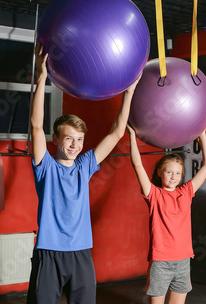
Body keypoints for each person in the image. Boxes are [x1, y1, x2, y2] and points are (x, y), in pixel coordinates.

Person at [27, 43, 140, 304]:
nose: (74, 145)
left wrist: (129, 92)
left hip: (81, 253)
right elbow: (35, 125)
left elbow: (115, 133)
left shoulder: (84, 166)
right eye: (68, 139)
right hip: (49, 251)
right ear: (56, 139)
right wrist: (42, 76)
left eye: (79, 140)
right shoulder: (45, 166)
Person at [127, 125, 206, 304]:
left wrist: (203, 136)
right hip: (160, 263)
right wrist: (132, 137)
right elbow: (137, 164)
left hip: (183, 261)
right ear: (160, 172)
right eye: (169, 172)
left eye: (178, 173)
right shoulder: (154, 194)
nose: (173, 176)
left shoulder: (186, 192)